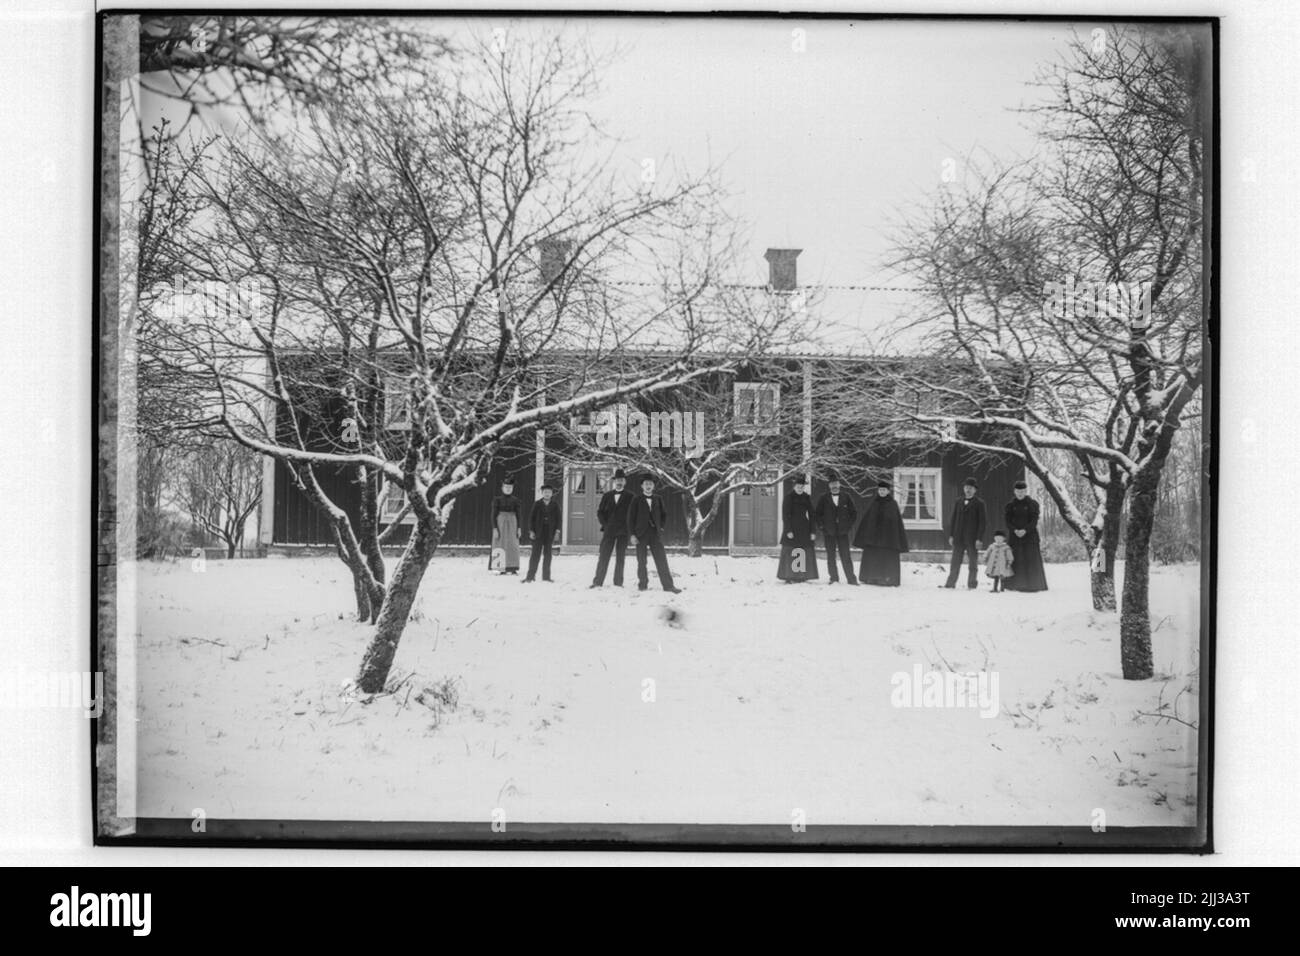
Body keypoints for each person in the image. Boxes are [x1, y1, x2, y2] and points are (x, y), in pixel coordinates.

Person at [627, 475, 682, 593]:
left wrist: (660, 527)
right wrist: (632, 535)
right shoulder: (636, 499)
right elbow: (630, 518)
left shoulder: (658, 498)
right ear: (642, 486)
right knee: (641, 561)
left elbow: (664, 515)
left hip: (655, 534)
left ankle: (668, 586)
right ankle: (643, 585)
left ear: (653, 486)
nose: (648, 486)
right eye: (646, 484)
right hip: (640, 534)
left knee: (661, 559)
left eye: (650, 484)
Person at [855, 478, 909, 586]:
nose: (882, 492)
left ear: (888, 491)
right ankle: (871, 578)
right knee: (873, 556)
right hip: (874, 538)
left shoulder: (892, 504)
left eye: (884, 490)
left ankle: (887, 579)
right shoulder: (874, 503)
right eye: (880, 490)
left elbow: (895, 522)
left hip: (888, 539)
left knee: (886, 558)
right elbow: (868, 519)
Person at [590, 468, 633, 588]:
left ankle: (618, 583)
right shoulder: (607, 496)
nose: (619, 482)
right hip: (609, 531)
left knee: (620, 557)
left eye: (622, 480)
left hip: (623, 532)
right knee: (604, 556)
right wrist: (605, 524)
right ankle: (597, 582)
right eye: (617, 480)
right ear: (614, 481)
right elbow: (600, 512)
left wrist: (629, 527)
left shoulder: (631, 496)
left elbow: (633, 514)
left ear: (625, 482)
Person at [814, 471, 858, 585]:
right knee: (831, 556)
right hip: (829, 533)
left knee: (846, 556)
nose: (834, 486)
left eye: (836, 484)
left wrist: (848, 526)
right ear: (829, 486)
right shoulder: (823, 498)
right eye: (832, 484)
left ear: (839, 484)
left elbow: (854, 513)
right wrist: (823, 528)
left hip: (843, 532)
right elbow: (817, 514)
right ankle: (833, 578)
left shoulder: (846, 497)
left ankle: (851, 579)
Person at [1004, 480, 1049, 592]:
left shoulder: (1032, 504)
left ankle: (1033, 585)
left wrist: (1025, 530)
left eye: (1022, 491)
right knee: (1016, 560)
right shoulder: (1010, 506)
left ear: (1026, 491)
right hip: (1015, 538)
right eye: (1018, 491)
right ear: (1014, 491)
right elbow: (1007, 521)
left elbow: (1034, 520)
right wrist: (1014, 530)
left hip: (1030, 537)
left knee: (1030, 560)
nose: (1020, 493)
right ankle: (1015, 585)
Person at [942, 477, 986, 589]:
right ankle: (950, 584)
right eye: (966, 487)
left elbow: (982, 522)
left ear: (975, 490)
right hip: (958, 537)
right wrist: (951, 535)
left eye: (971, 488)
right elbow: (953, 519)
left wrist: (979, 538)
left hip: (972, 538)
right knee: (955, 562)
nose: (968, 490)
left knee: (972, 563)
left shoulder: (979, 503)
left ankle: (972, 584)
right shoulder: (958, 501)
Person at [777, 475, 819, 583]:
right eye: (798, 486)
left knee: (803, 551)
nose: (800, 488)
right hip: (792, 527)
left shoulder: (806, 497)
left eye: (802, 486)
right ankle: (789, 576)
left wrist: (813, 531)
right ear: (794, 486)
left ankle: (801, 576)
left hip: (804, 528)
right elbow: (785, 515)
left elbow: (812, 514)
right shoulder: (789, 497)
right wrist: (788, 530)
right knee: (791, 551)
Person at [523, 482, 561, 583]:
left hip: (549, 533)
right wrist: (531, 531)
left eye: (549, 492)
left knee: (548, 555)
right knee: (535, 555)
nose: (547, 494)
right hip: (538, 533)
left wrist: (557, 531)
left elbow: (559, 519)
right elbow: (531, 518)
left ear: (552, 493)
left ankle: (546, 577)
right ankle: (530, 577)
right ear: (542, 493)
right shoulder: (537, 504)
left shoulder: (555, 505)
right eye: (545, 492)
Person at [490, 477, 522, 574]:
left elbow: (519, 515)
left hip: (513, 523)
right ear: (502, 488)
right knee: (500, 543)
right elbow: (493, 515)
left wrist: (519, 528)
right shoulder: (497, 500)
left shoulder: (516, 500)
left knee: (513, 544)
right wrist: (495, 528)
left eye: (510, 487)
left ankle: (512, 567)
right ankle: (500, 567)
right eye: (506, 487)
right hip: (500, 523)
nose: (508, 489)